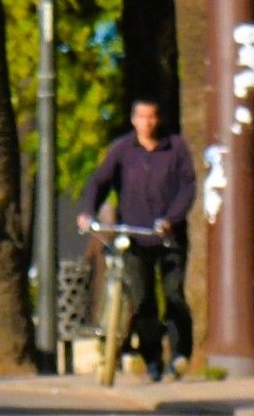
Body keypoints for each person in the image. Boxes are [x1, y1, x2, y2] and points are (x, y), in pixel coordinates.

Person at [77, 99, 196, 383]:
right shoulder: (122, 150)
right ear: (133, 120)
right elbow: (99, 181)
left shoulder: (176, 148)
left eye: (152, 117)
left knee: (173, 294)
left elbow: (187, 187)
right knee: (143, 301)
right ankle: (152, 359)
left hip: (169, 238)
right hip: (134, 236)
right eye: (141, 117)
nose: (147, 122)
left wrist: (171, 219)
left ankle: (180, 353)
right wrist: (86, 212)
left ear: (159, 119)